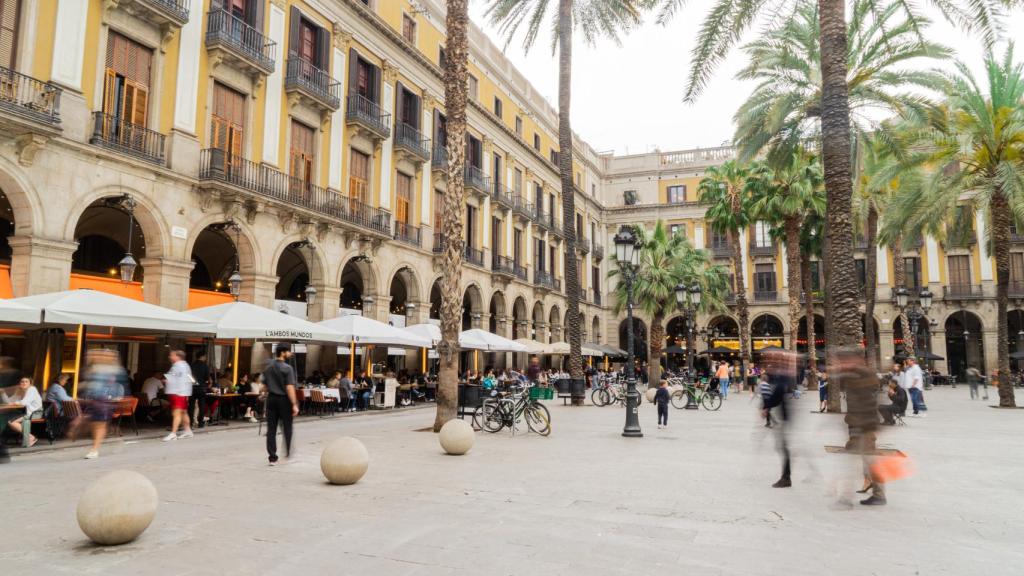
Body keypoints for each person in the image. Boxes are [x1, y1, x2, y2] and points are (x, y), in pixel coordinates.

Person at [836, 347, 886, 506]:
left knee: (865, 460)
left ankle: (851, 497)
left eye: (844, 361)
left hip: (865, 426)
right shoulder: (853, 375)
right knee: (867, 461)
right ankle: (877, 493)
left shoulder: (865, 375)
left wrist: (861, 426)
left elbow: (868, 403)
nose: (842, 364)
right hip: (857, 425)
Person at [79, 350, 130, 459]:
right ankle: (109, 436)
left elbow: (120, 386)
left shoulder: (114, 370)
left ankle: (94, 449)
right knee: (94, 424)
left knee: (99, 425)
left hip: (104, 401)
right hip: (92, 400)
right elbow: (89, 383)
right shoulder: (93, 368)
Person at [761, 350, 797, 487]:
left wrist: (766, 406)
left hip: (782, 416)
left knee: (784, 446)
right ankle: (786, 476)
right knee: (783, 446)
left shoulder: (782, 374)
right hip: (782, 415)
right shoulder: (779, 374)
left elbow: (779, 392)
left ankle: (786, 478)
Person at [262, 344, 298, 466]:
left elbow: (264, 386)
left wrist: (264, 394)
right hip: (284, 400)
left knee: (271, 429)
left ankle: (272, 457)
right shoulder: (287, 368)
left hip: (271, 399)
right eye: (288, 352)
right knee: (287, 427)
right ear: (283, 353)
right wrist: (294, 403)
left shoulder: (268, 367)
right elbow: (289, 387)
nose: (290, 354)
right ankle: (288, 454)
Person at [2, 376, 43, 447]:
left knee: (12, 422)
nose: (24, 383)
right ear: (20, 383)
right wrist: (2, 393)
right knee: (6, 418)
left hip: (35, 413)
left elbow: (24, 402)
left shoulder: (32, 389)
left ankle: (31, 437)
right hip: (25, 412)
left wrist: (15, 403)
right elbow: (9, 402)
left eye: (26, 381)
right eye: (22, 381)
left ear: (30, 383)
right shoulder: (20, 391)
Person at [163, 350, 195, 442]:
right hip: (181, 392)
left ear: (178, 356)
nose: (170, 357)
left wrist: (166, 380)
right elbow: (186, 378)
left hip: (178, 393)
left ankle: (173, 433)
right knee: (183, 412)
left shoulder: (178, 366)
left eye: (172, 355)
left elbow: (172, 378)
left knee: (176, 413)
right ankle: (188, 431)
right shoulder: (185, 366)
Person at [189, 352, 211, 428]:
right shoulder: (205, 366)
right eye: (205, 356)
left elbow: (188, 376)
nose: (205, 358)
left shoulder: (191, 365)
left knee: (191, 406)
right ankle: (200, 423)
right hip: (201, 388)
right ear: (202, 356)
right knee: (201, 406)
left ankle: (190, 423)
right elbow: (207, 378)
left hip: (192, 388)